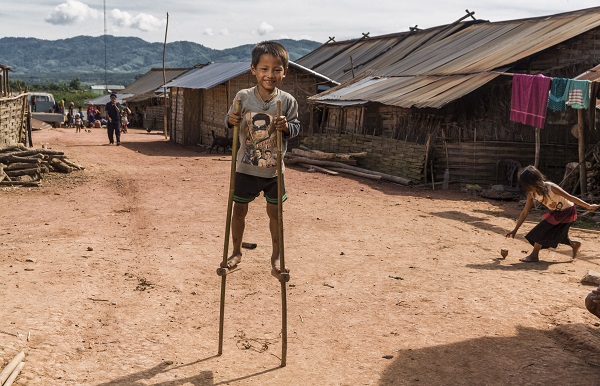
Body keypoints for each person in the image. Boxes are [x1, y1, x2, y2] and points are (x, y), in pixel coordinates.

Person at [224, 41, 300, 278]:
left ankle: (276, 257)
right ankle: (236, 251)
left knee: (275, 214)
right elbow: (228, 121)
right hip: (246, 167)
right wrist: (232, 120)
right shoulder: (243, 97)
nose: (270, 74)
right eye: (264, 69)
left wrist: (287, 126)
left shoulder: (287, 101)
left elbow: (296, 127)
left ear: (284, 72)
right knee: (239, 211)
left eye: (277, 69)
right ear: (253, 70)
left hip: (274, 171)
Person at [506, 165, 599, 262]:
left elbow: (570, 197)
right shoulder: (531, 194)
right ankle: (574, 244)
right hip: (557, 212)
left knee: (542, 229)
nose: (527, 187)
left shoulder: (551, 187)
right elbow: (524, 212)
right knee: (557, 236)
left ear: (534, 181)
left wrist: (588, 206)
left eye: (528, 184)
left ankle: (534, 255)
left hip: (568, 211)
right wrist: (515, 229)